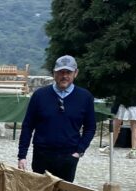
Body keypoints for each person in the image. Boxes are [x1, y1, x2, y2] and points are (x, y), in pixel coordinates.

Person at [17, 55, 95, 183]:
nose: (64, 76)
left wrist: (79, 151)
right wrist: (22, 156)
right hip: (42, 155)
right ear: (54, 73)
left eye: (68, 72)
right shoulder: (39, 96)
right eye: (61, 72)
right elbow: (28, 126)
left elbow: (90, 127)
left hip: (68, 156)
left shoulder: (85, 97)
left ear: (76, 73)